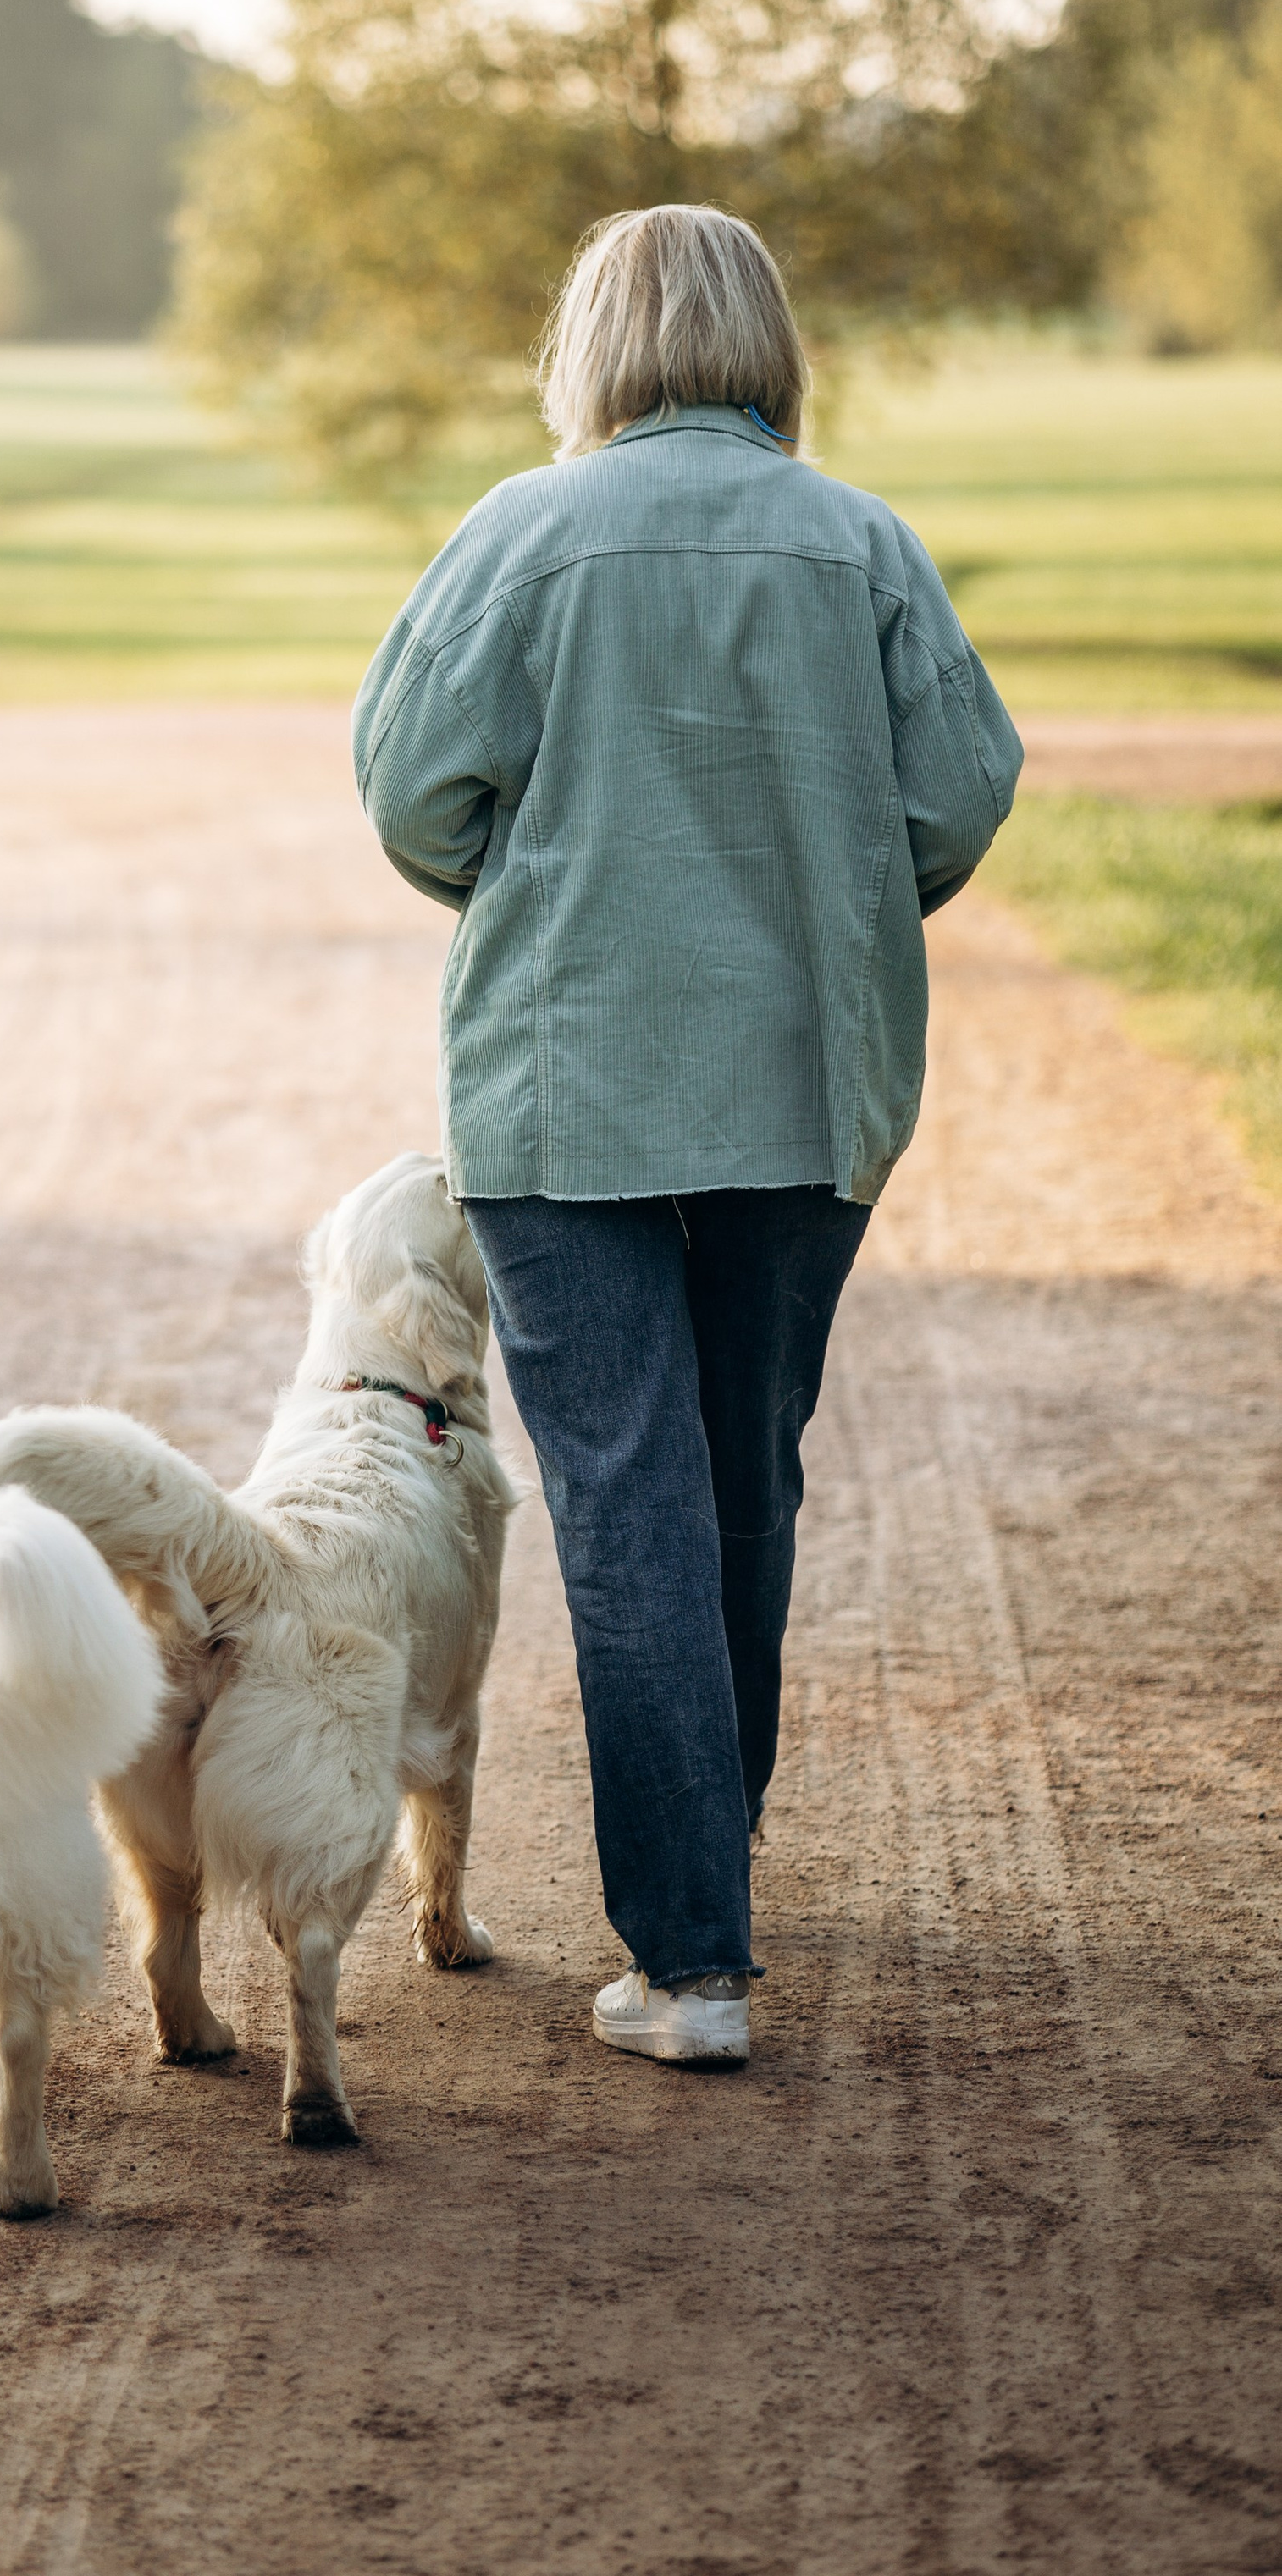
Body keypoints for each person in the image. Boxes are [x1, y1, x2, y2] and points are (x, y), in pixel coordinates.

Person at [351, 205, 1020, 2067]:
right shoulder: (859, 540)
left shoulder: (520, 530)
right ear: (764, 341)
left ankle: (690, 1960)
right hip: (807, 1075)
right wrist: (831, 899)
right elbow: (958, 794)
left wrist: (535, 880)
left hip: (568, 1083)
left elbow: (412, 797)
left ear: (591, 343)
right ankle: (699, 1875)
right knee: (742, 1472)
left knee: (623, 1494)